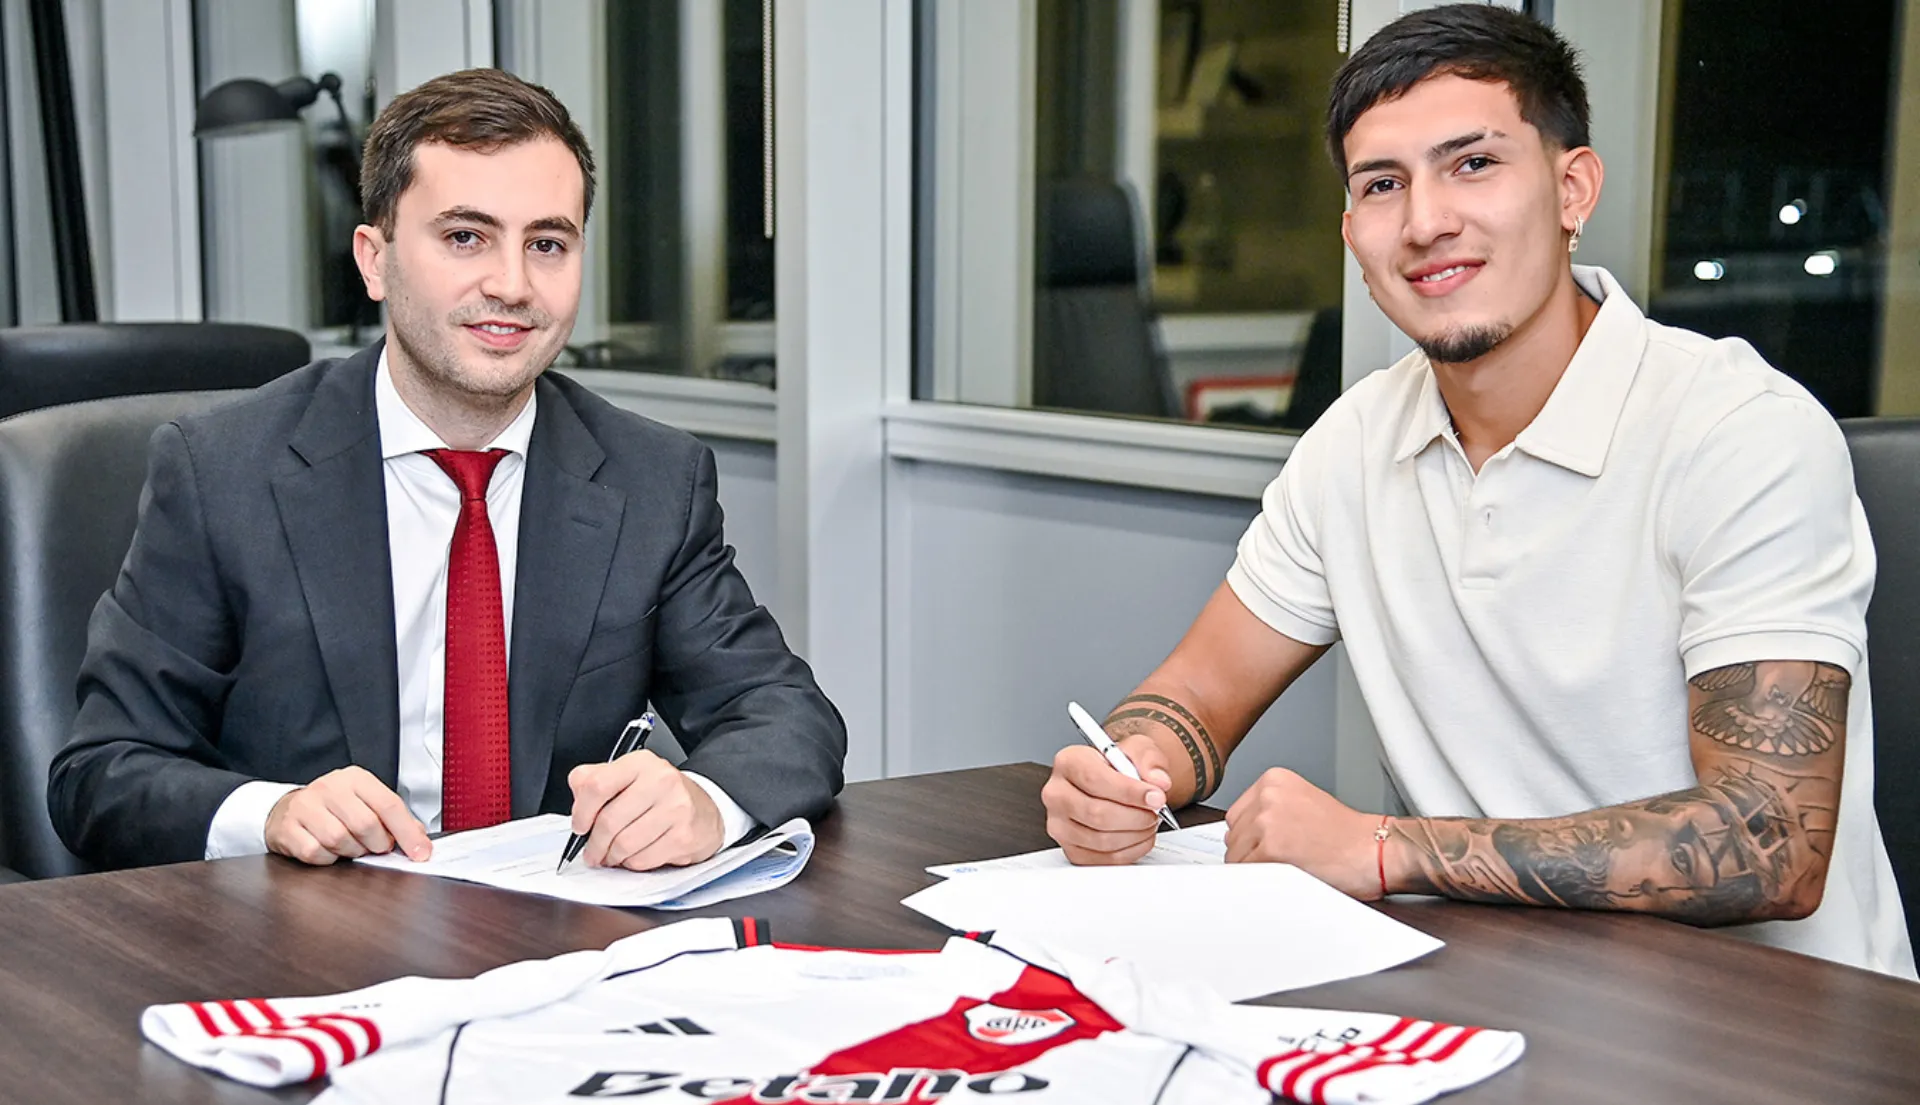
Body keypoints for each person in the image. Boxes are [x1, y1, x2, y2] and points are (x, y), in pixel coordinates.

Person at [1039, 4, 1914, 977]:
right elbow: (1196, 692)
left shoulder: (1737, 430)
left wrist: (1381, 849)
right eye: (1383, 184)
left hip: (1776, 1029)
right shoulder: (1356, 443)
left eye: (1474, 163)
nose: (1425, 221)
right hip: (1498, 987)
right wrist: (1126, 767)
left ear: (1573, 188)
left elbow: (1766, 843)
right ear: (1351, 233)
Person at [48, 68, 845, 873]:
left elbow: (784, 713)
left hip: (553, 937)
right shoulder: (222, 471)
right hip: (310, 941)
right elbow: (101, 773)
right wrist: (275, 812)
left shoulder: (652, 479)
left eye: (547, 243)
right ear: (375, 259)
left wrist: (706, 799)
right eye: (465, 236)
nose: (511, 284)